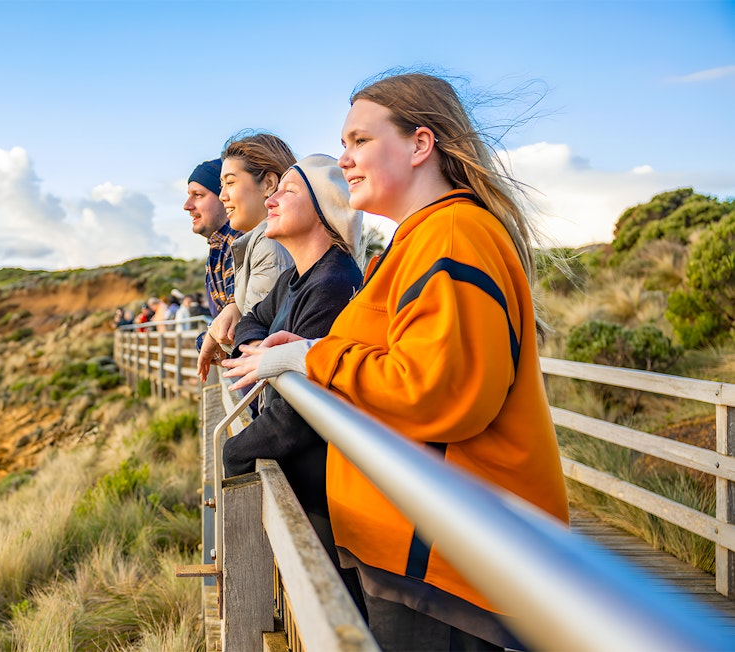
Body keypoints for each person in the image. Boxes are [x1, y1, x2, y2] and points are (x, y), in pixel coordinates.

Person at [223, 72, 569, 651]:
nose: (345, 158)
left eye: (360, 140)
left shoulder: (455, 235)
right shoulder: (417, 241)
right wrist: (307, 353)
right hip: (419, 555)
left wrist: (313, 358)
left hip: (450, 565)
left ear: (419, 144)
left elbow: (437, 391)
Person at [219, 153, 366, 615]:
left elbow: (295, 419)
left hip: (328, 495)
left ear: (324, 210)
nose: (272, 197)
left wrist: (234, 451)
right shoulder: (294, 279)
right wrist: (263, 352)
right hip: (305, 481)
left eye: (288, 190)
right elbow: (250, 321)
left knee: (333, 606)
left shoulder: (334, 284)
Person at [197, 132, 295, 382]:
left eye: (230, 183)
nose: (222, 196)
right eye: (221, 186)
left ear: (269, 184)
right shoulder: (257, 242)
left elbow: (257, 344)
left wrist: (211, 336)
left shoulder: (270, 244)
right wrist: (232, 308)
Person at [183, 158, 242, 358]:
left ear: (224, 196)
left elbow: (231, 332)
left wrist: (204, 340)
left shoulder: (238, 244)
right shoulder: (218, 246)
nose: (187, 205)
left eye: (198, 195)